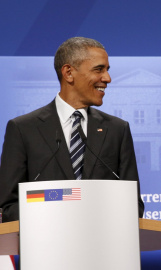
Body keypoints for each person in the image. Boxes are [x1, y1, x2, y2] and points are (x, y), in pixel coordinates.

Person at [0, 37, 144, 221]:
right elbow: (9, 207)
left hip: (104, 246)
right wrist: (63, 215)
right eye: (99, 69)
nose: (107, 78)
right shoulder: (23, 129)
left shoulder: (117, 130)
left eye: (107, 70)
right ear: (68, 73)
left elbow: (133, 205)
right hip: (46, 246)